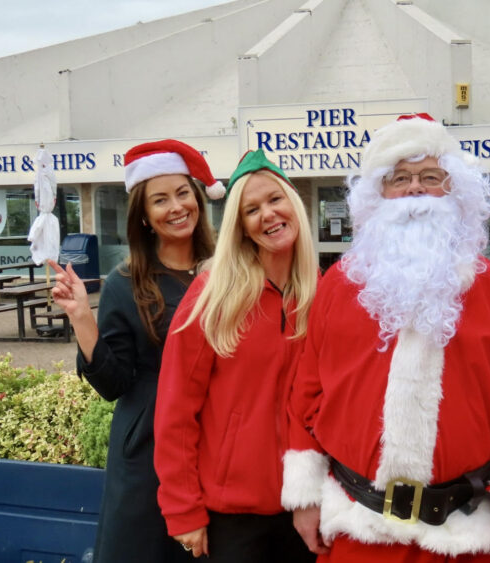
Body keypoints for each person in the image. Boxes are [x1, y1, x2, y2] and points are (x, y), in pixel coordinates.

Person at [281, 114, 490, 562]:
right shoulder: (338, 284)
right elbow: (307, 393)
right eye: (400, 178)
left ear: (457, 191)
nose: (415, 189)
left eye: (431, 177)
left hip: (463, 536)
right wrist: (305, 496)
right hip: (357, 530)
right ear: (378, 193)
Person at [49, 139, 225, 562]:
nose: (176, 206)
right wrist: (82, 319)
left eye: (183, 193)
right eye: (160, 200)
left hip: (219, 434)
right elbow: (114, 384)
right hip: (147, 449)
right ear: (144, 217)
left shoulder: (229, 268)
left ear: (198, 198)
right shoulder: (124, 282)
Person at [154, 149, 319, 562]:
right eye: (252, 209)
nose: (268, 214)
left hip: (306, 507)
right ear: (241, 227)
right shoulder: (213, 295)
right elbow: (175, 410)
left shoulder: (320, 293)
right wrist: (183, 509)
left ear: (294, 204)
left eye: (275, 200)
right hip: (232, 514)